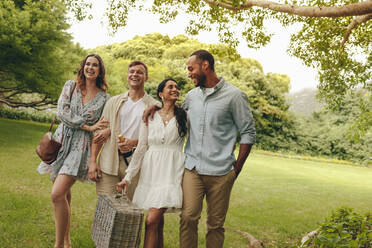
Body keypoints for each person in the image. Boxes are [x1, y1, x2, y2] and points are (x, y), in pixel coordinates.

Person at [144, 50, 256, 248]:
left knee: (215, 225)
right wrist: (155, 106)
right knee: (187, 218)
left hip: (221, 172)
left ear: (205, 65)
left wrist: (235, 171)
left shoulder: (235, 96)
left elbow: (248, 133)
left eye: (191, 68)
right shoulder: (191, 96)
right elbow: (174, 115)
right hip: (192, 169)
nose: (189, 73)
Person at [37, 54, 110, 248]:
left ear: (100, 71)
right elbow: (62, 112)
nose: (90, 68)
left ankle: (58, 245)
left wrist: (94, 135)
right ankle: (67, 242)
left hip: (80, 148)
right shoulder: (71, 86)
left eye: (95, 65)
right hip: (61, 142)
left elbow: (101, 125)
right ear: (83, 67)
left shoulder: (104, 98)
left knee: (57, 194)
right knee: (64, 194)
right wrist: (87, 126)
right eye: (87, 64)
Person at [117, 78, 187, 248]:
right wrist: (128, 176)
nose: (175, 89)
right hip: (151, 173)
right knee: (157, 222)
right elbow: (141, 147)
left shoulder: (184, 116)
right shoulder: (150, 115)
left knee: (151, 220)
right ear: (161, 93)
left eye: (176, 87)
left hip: (171, 172)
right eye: (170, 86)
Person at [89, 60, 159, 200]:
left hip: (135, 166)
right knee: (105, 206)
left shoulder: (154, 106)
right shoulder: (113, 102)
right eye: (132, 72)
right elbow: (99, 134)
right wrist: (93, 162)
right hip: (109, 162)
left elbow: (158, 139)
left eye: (139, 72)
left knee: (131, 210)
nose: (135, 75)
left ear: (146, 77)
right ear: (127, 76)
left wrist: (135, 142)